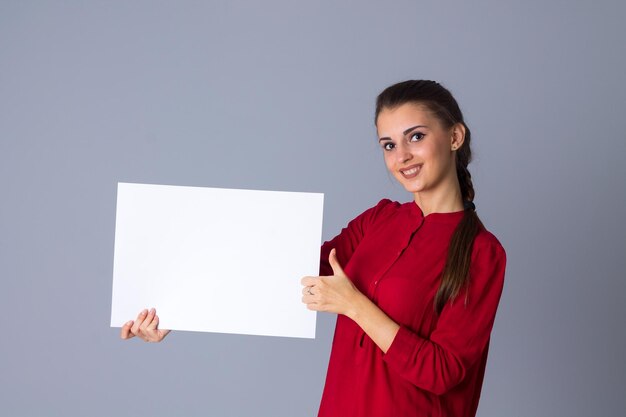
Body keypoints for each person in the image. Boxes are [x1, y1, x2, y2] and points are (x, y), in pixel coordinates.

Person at [121, 80, 506, 417]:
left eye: (416, 137)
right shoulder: (380, 220)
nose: (401, 156)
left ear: (455, 137)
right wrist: (177, 306)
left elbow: (442, 372)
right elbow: (281, 272)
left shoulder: (481, 252)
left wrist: (353, 305)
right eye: (388, 144)